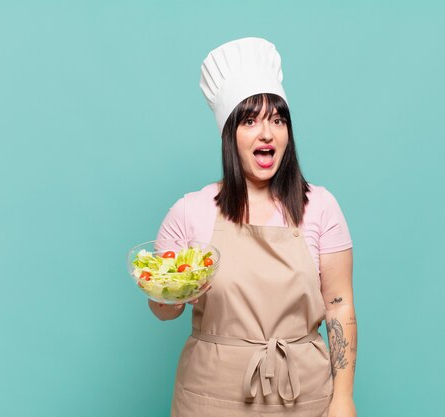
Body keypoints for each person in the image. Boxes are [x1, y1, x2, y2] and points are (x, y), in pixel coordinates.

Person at [149, 37, 357, 417]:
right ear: (230, 135)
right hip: (209, 399)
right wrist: (176, 292)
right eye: (250, 121)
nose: (267, 133)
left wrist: (343, 398)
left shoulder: (321, 207)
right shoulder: (191, 210)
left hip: (303, 396)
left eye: (278, 120)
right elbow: (164, 311)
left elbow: (339, 307)